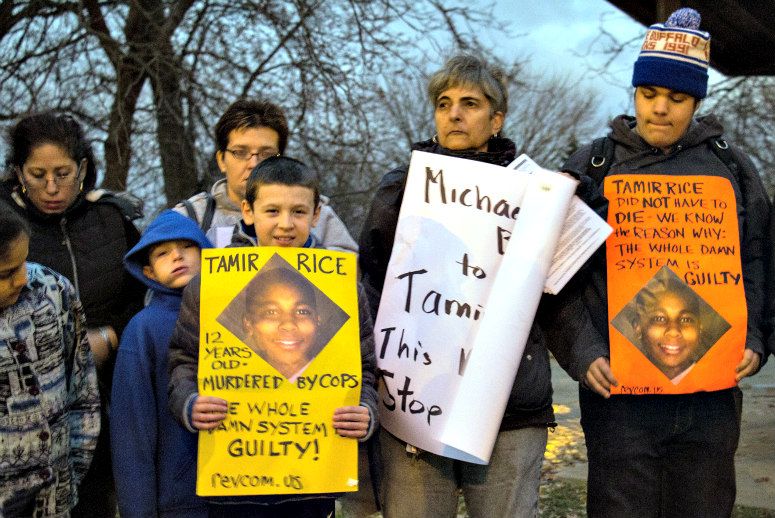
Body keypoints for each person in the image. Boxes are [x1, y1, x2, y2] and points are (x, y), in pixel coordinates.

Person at [558, 8, 771, 517]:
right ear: (633, 94)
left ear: (695, 102)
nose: (660, 109)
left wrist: (757, 340)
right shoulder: (592, 167)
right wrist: (585, 352)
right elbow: (553, 276)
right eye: (649, 94)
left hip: (709, 397)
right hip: (620, 395)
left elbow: (758, 258)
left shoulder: (731, 167)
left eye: (676, 99)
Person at [358, 54, 556, 517]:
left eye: (470, 103)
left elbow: (557, 294)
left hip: (510, 407)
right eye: (444, 103)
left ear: (496, 118)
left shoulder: (534, 194)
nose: (454, 114)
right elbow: (370, 286)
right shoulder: (401, 187)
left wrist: (573, 201)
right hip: (415, 399)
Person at [168, 156, 378, 517]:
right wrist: (190, 403)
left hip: (314, 482)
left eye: (298, 211)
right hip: (233, 480)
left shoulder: (343, 288)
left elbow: (364, 367)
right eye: (272, 211)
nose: (285, 224)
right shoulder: (211, 284)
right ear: (248, 211)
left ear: (316, 215)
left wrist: (365, 411)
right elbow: (183, 359)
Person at [1, 111, 146, 517]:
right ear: (17, 172)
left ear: (83, 167)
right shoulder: (3, 223)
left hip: (106, 394)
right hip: (21, 411)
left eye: (63, 173)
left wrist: (109, 337)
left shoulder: (114, 219)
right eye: (37, 174)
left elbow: (143, 298)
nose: (51, 187)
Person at [110, 210, 212, 518]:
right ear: (149, 272)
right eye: (162, 253)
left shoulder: (242, 316)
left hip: (244, 494)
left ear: (206, 252)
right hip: (178, 501)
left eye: (187, 246)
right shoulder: (143, 329)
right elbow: (132, 432)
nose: (177, 257)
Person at [0, 209, 100, 516]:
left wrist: (74, 467)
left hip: (56, 498)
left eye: (24, 263)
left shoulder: (53, 291)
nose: (21, 279)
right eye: (6, 273)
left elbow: (82, 387)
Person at [175, 98, 358, 252]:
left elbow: (351, 278)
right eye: (240, 152)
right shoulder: (190, 218)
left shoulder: (321, 217)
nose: (254, 163)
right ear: (221, 160)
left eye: (267, 155)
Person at [242, 268, 322, 380]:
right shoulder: (229, 381)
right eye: (271, 312)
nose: (288, 325)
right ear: (249, 324)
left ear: (317, 321)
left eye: (302, 311)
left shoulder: (343, 378)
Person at [631, 270, 703, 383]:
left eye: (686, 319)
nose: (673, 331)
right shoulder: (625, 378)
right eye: (659, 319)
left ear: (699, 329)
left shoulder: (716, 377)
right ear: (638, 327)